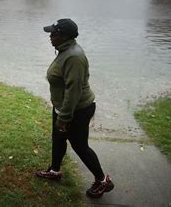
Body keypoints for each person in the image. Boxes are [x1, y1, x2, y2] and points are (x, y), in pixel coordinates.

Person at [35, 18, 114, 199]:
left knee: (80, 146)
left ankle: (103, 181)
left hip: (76, 110)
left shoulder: (74, 57)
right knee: (58, 139)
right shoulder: (65, 50)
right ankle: (54, 171)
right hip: (63, 108)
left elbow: (74, 90)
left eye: (53, 33)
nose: (50, 36)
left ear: (63, 36)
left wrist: (64, 117)